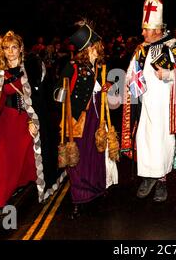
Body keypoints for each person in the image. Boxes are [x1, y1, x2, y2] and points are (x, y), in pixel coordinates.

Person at [0, 31, 65, 213]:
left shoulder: (33, 68)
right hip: (7, 122)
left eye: (14, 47)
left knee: (27, 160)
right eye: (6, 48)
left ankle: (23, 187)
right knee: (2, 159)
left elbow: (41, 99)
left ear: (21, 49)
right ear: (2, 51)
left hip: (26, 122)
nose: (10, 52)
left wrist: (35, 121)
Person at [121, 0, 176, 202]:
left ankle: (162, 182)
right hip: (146, 106)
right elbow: (130, 73)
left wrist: (168, 74)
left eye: (146, 30)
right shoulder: (141, 49)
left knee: (162, 144)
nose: (143, 33)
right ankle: (148, 178)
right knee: (145, 142)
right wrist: (129, 79)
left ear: (157, 29)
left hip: (166, 108)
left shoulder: (173, 46)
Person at [58, 24, 118, 218]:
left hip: (97, 117)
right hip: (78, 119)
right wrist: (62, 93)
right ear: (90, 48)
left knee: (96, 155)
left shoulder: (99, 67)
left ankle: (97, 190)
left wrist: (106, 85)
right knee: (78, 159)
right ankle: (79, 198)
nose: (100, 48)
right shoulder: (73, 66)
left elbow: (99, 88)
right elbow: (58, 91)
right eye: (96, 45)